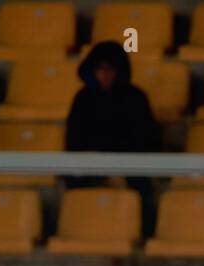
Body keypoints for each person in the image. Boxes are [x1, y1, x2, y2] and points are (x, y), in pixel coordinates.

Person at [66, 41, 161, 234]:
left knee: (140, 186)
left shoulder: (136, 98)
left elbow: (145, 139)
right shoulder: (82, 99)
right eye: (100, 69)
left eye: (111, 69)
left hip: (130, 168)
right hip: (89, 169)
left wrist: (119, 170)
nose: (105, 75)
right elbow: (73, 141)